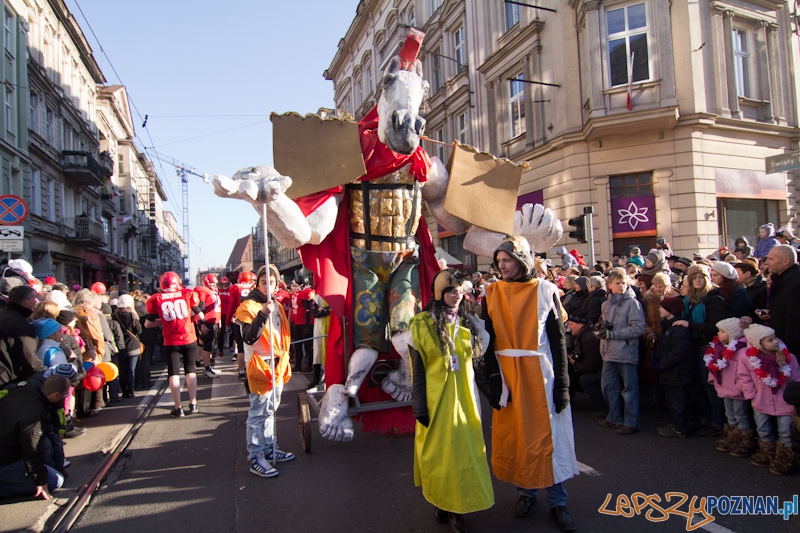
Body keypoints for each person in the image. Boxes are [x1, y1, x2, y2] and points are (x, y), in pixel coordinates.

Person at [481, 235, 578, 532]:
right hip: (508, 377)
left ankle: (558, 501)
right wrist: (493, 380)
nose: (502, 266)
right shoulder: (490, 293)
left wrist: (562, 385)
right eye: (499, 261)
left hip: (540, 376)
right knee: (518, 438)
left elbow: (558, 341)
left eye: (507, 260)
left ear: (521, 260)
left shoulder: (546, 290)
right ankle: (527, 494)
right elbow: (487, 342)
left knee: (547, 438)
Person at [408, 269, 494, 533]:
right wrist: (419, 406)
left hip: (466, 401)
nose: (456, 296)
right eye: (450, 291)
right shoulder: (422, 324)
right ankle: (441, 502)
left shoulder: (470, 324)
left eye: (459, 291)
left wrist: (493, 395)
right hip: (437, 403)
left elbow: (478, 365)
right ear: (439, 293)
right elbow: (417, 369)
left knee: (463, 454)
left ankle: (457, 509)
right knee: (440, 456)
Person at [236, 264, 293, 478]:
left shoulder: (276, 305)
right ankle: (256, 456)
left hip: (276, 363)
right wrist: (262, 314)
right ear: (257, 284)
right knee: (258, 413)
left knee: (271, 410)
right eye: (263, 282)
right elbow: (249, 337)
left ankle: (269, 447)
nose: (267, 286)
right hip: (259, 365)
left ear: (276, 285)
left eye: (271, 282)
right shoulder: (248, 306)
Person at [672, 265, 728, 436]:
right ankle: (703, 419)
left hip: (707, 347)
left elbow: (716, 327)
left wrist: (690, 325)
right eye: (694, 277)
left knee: (708, 386)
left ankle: (717, 422)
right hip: (692, 346)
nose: (697, 280)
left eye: (701, 277)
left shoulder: (714, 299)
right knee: (696, 385)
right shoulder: (689, 300)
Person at [737, 324, 800, 475]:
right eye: (770, 340)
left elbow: (795, 379)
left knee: (785, 431)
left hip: (784, 402)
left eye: (775, 338)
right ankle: (766, 452)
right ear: (759, 344)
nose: (776, 341)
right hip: (761, 400)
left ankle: (785, 458)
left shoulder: (788, 358)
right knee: (763, 429)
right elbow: (744, 377)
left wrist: (794, 399)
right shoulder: (748, 359)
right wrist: (751, 395)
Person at [0, 375, 69, 500]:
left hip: (6, 448)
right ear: (56, 395)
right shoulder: (35, 412)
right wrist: (40, 480)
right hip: (6, 461)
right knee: (55, 481)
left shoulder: (21, 392)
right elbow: (32, 448)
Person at [144, 272, 202, 418]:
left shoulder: (156, 298)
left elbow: (148, 324)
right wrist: (188, 318)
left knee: (173, 373)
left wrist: (162, 321)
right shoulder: (187, 294)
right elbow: (200, 315)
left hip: (170, 341)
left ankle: (178, 407)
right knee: (190, 370)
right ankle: (193, 403)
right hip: (189, 338)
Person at [598, 267, 646, 435]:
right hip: (608, 351)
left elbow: (638, 328)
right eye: (617, 283)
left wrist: (614, 334)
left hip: (625, 352)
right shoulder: (606, 304)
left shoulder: (633, 304)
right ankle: (614, 417)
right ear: (609, 285)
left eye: (624, 283)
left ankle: (631, 422)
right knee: (607, 386)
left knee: (629, 390)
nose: (621, 286)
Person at [705, 318, 751, 454]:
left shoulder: (742, 351)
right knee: (729, 414)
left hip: (737, 390)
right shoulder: (718, 348)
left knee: (740, 415)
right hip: (724, 387)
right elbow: (713, 366)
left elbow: (745, 374)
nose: (718, 334)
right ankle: (731, 437)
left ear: (733, 333)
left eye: (722, 331)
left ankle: (742, 440)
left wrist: (740, 387)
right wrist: (714, 380)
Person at [654, 297, 695, 438]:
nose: (659, 309)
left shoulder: (677, 330)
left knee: (678, 402)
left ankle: (679, 429)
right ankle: (676, 425)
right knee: (672, 401)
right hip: (672, 373)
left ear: (671, 310)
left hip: (678, 373)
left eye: (663, 307)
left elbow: (678, 353)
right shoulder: (669, 327)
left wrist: (662, 364)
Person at [0, 286, 44, 388]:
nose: (35, 303)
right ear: (25, 302)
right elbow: (29, 356)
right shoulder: (19, 323)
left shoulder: (4, 314)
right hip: (7, 380)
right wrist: (43, 374)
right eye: (34, 299)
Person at [566, 307, 606, 414]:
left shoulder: (588, 338)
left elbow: (591, 366)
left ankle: (605, 407)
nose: (569, 327)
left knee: (585, 380)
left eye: (571, 324)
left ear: (580, 325)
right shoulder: (583, 335)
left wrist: (575, 364)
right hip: (594, 367)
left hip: (601, 370)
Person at [763, 245, 800, 356]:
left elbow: (794, 324)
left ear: (785, 261)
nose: (766, 263)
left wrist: (785, 353)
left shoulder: (795, 284)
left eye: (771, 259)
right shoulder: (782, 280)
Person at [226, 271, 256, 379]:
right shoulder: (255, 287)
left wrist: (227, 323)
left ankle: (242, 371)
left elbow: (231, 307)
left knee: (241, 347)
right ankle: (252, 369)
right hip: (253, 319)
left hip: (239, 319)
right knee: (254, 346)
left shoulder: (236, 288)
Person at [113, 295, 142, 398]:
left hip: (120, 345)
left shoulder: (114, 315)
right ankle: (130, 390)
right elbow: (139, 330)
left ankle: (124, 390)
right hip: (133, 345)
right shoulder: (132, 315)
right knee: (131, 369)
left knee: (122, 370)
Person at [195, 274, 222, 379]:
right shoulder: (203, 291)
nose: (214, 285)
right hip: (207, 322)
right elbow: (201, 308)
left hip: (213, 321)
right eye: (212, 283)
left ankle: (203, 364)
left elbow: (217, 307)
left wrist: (219, 319)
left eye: (215, 283)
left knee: (206, 343)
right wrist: (202, 324)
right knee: (207, 345)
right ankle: (207, 368)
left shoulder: (213, 292)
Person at [308, 292, 330, 389]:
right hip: (319, 329)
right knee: (317, 353)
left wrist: (324, 309)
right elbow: (315, 313)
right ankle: (315, 378)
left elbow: (335, 309)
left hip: (332, 328)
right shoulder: (317, 297)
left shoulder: (334, 296)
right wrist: (327, 310)